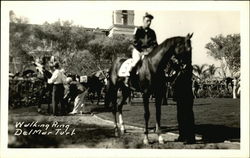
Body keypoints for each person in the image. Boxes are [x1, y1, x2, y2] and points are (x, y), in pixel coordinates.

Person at [124, 12, 158, 87]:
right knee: (136, 61)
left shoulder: (152, 32)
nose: (149, 23)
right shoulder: (138, 29)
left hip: (148, 52)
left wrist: (149, 51)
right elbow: (134, 41)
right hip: (137, 50)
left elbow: (155, 44)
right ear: (143, 21)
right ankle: (128, 78)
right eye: (147, 21)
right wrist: (142, 51)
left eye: (150, 21)